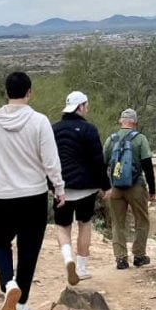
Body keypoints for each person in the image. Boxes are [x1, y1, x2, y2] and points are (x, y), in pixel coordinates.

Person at [0, 71, 67, 310]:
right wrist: (59, 189)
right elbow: (51, 161)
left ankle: (9, 283)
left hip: (2, 195)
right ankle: (22, 303)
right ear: (29, 92)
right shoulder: (39, 121)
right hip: (34, 195)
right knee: (29, 248)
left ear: (6, 92)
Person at [52, 91, 111, 280]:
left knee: (62, 226)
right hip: (87, 187)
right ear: (80, 107)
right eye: (86, 105)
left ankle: (67, 258)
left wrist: (51, 185)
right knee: (85, 224)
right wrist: (106, 185)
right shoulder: (90, 130)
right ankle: (81, 268)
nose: (88, 108)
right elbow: (97, 160)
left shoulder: (53, 129)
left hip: (61, 187)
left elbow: (47, 159)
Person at [103, 108, 156, 269]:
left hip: (115, 188)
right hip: (136, 187)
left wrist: (106, 186)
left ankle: (121, 259)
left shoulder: (111, 140)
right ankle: (139, 256)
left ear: (121, 121)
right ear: (135, 123)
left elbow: (101, 164)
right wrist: (152, 189)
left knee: (117, 223)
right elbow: (147, 166)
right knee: (142, 221)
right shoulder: (140, 139)